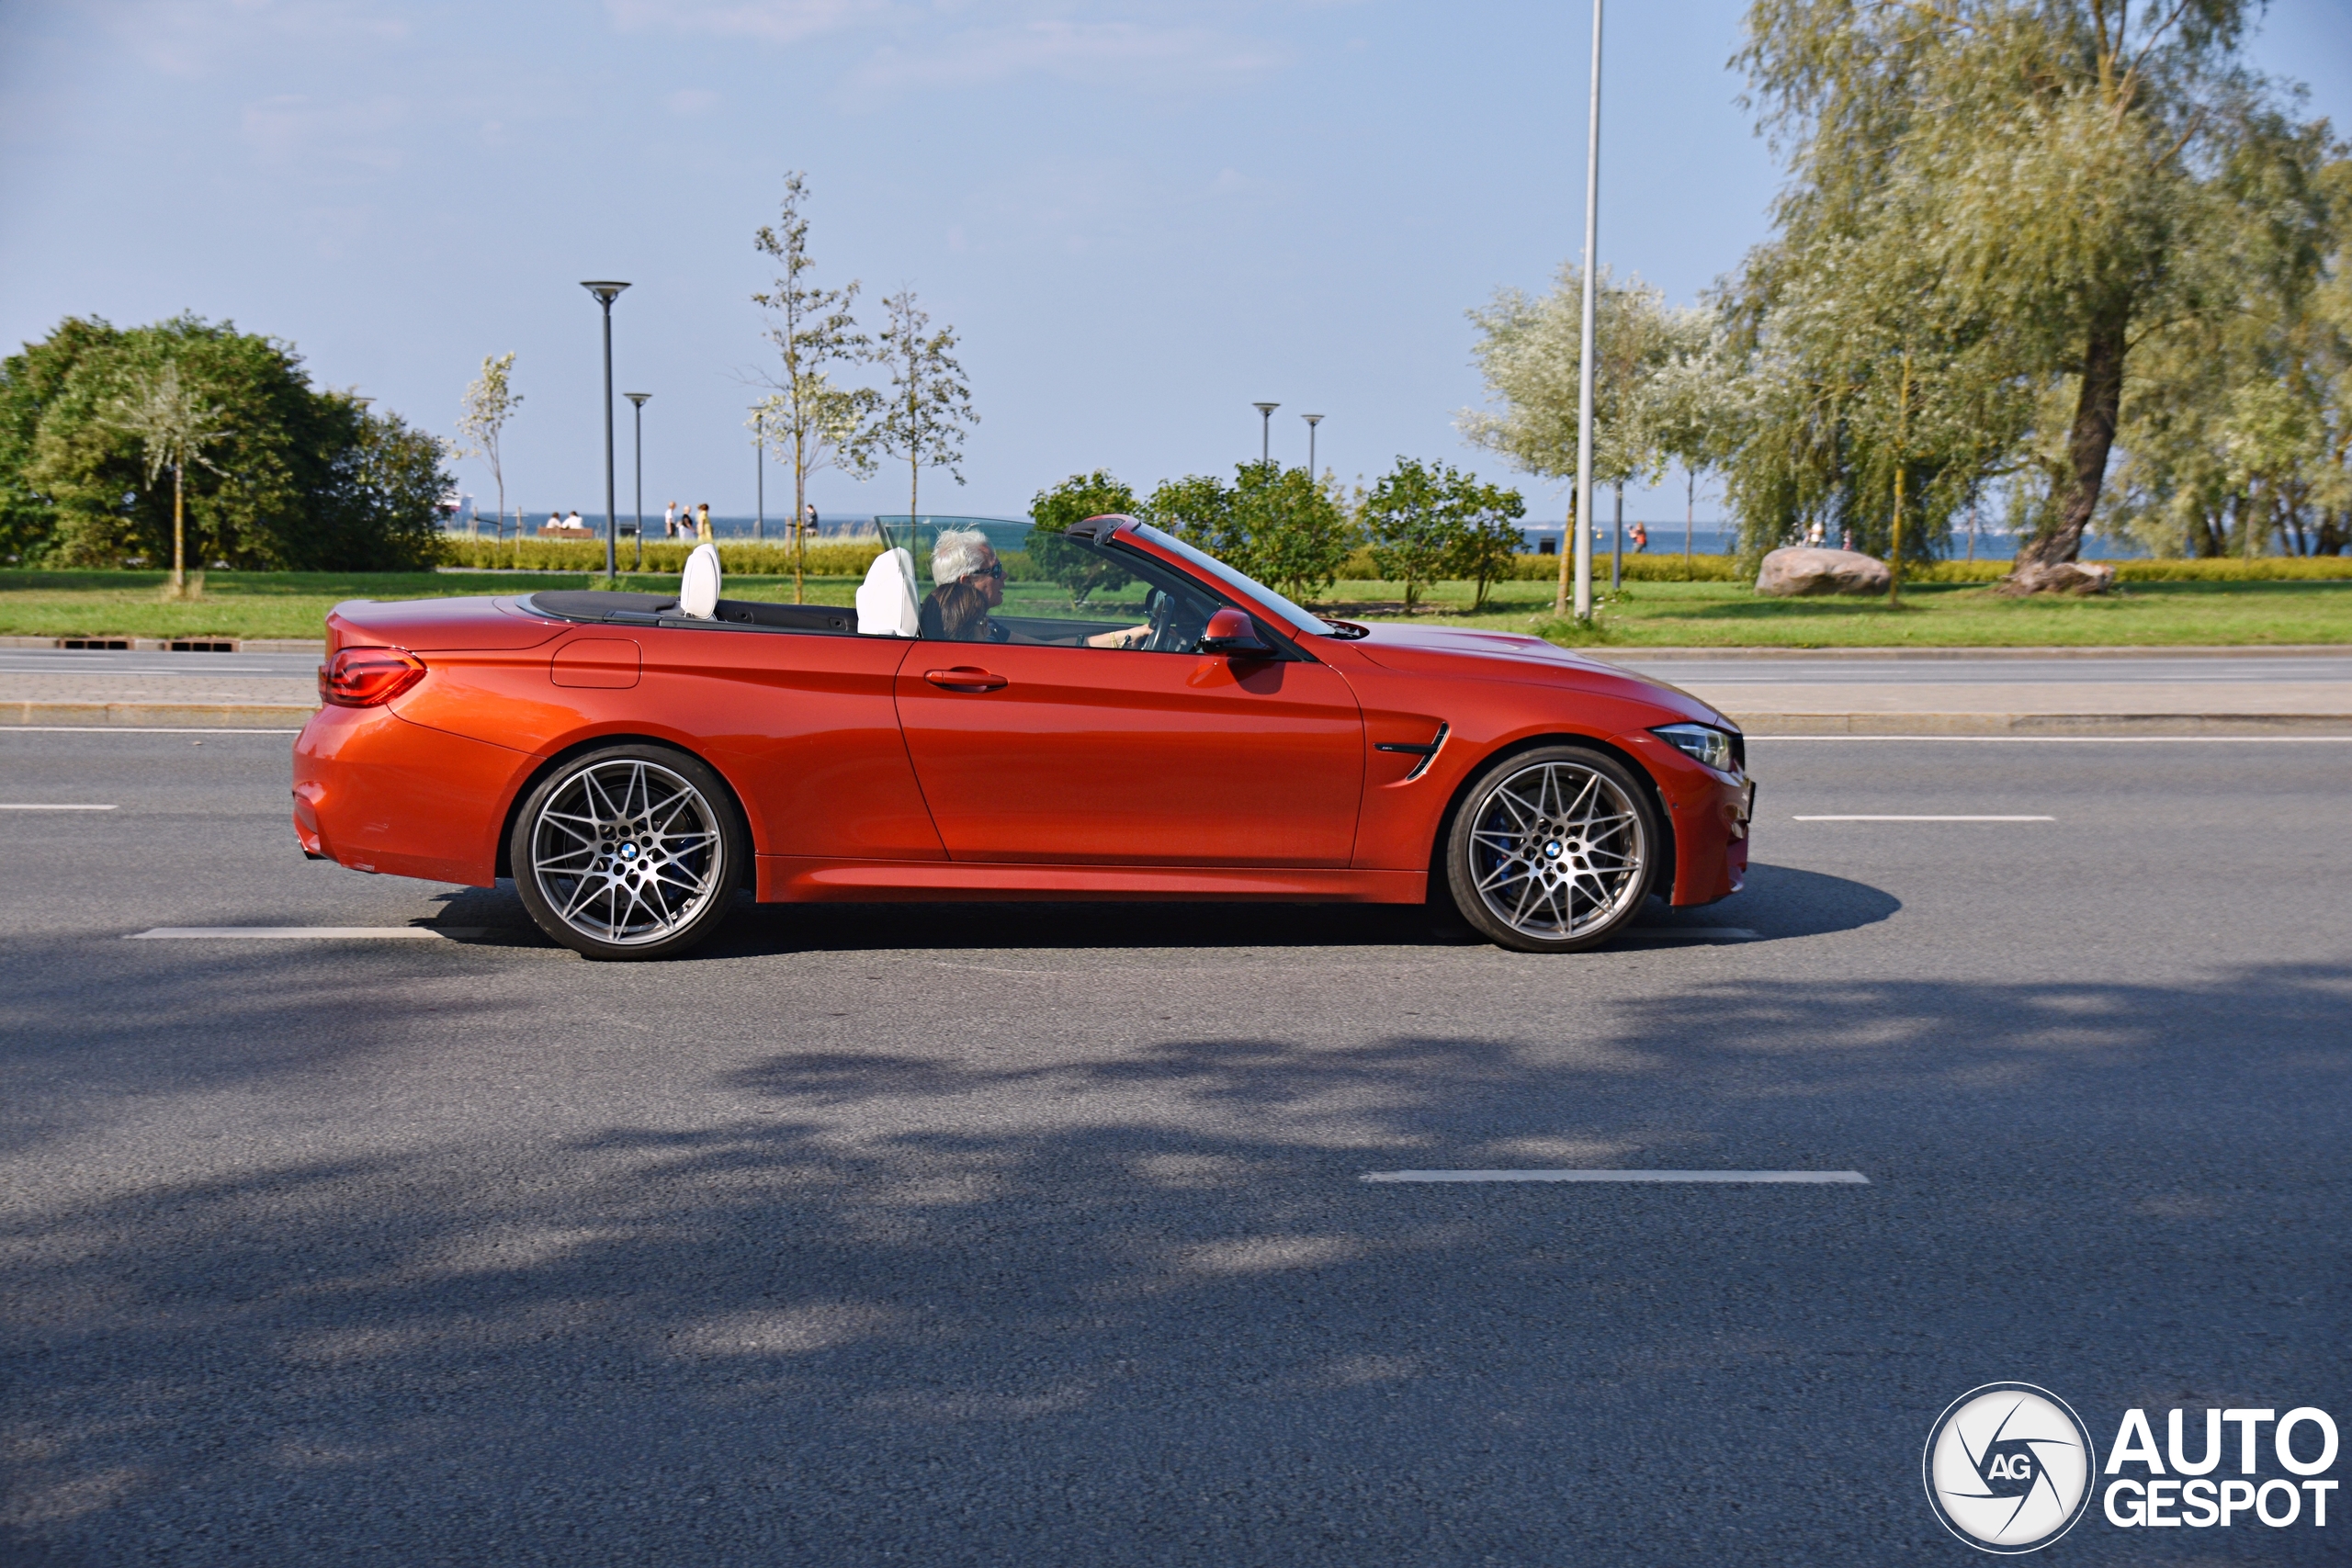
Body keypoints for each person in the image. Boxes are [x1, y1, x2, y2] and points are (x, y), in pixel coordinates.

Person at [919, 528, 1151, 648]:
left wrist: (1124, 637)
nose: (1005, 575)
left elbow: (1046, 650)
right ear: (966, 582)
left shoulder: (987, 627)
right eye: (995, 570)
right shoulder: (960, 642)